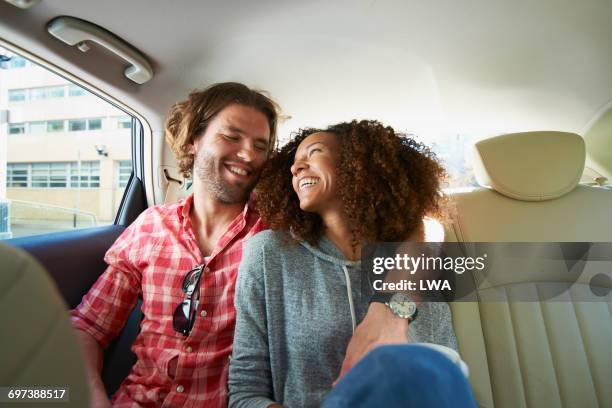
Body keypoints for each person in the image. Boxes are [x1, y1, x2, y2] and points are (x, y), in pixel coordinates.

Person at [71, 85, 416, 408]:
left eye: (261, 146)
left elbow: (418, 228)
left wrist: (390, 309)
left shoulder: (282, 228)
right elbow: (88, 326)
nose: (248, 154)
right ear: (194, 141)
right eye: (231, 137)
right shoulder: (149, 226)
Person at [228, 120, 476, 407]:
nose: (296, 168)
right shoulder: (268, 254)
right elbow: (245, 393)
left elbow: (447, 368)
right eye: (294, 164)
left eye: (314, 152)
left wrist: (393, 310)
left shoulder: (418, 255)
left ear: (359, 163)